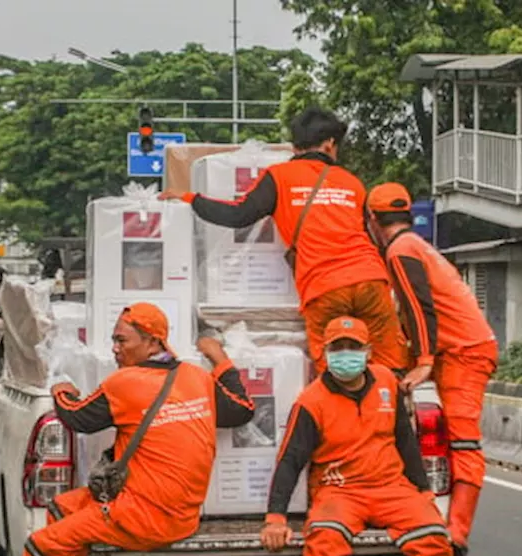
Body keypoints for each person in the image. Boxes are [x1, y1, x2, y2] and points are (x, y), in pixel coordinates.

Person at [0, 303, 257, 556]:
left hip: (146, 514)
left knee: (42, 548)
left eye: (121, 340)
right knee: (64, 508)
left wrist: (61, 388)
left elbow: (79, 417)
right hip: (178, 510)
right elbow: (242, 411)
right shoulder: (196, 377)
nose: (115, 348)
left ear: (152, 342)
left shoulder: (125, 383)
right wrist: (220, 358)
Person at [261, 316, 457, 556]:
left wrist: (424, 490)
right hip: (340, 491)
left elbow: (405, 439)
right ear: (325, 353)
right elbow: (290, 460)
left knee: (434, 539)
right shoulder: (311, 402)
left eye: (354, 348)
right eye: (338, 348)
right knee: (325, 544)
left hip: (390, 487)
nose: (346, 355)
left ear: (367, 352)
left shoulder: (387, 382)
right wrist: (276, 517)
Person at [160, 106, 409, 374]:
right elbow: (366, 233)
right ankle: (391, 407)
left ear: (295, 145)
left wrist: (189, 198)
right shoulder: (352, 182)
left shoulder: (279, 177)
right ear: (329, 144)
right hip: (370, 280)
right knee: (389, 361)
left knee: (334, 369)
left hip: (324, 286)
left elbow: (238, 215)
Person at [366, 183, 499, 556]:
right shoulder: (417, 245)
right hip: (460, 347)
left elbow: (417, 307)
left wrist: (423, 361)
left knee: (462, 440)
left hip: (463, 351)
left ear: (372, 220)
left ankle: (456, 531)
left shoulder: (400, 251)